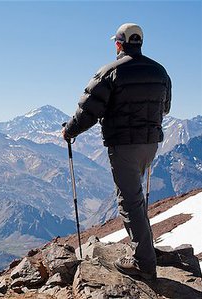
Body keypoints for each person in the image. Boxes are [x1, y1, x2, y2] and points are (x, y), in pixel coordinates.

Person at [62, 23, 171, 280]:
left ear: (119, 44)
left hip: (123, 145)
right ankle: (146, 250)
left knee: (129, 200)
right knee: (136, 197)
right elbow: (165, 108)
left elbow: (89, 111)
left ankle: (144, 263)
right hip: (150, 144)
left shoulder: (110, 72)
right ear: (140, 43)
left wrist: (69, 131)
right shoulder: (160, 71)